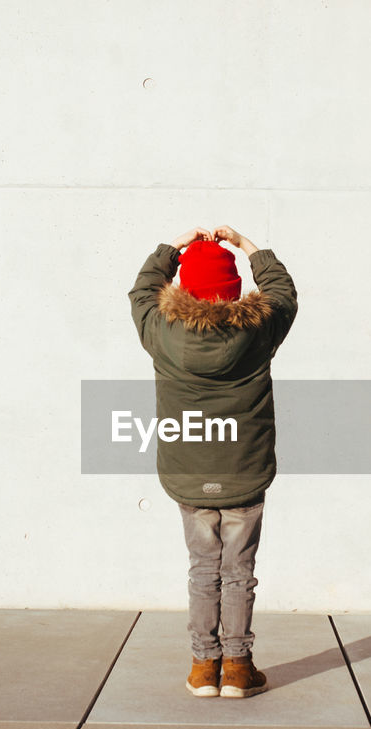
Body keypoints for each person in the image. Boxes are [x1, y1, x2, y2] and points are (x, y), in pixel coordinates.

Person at [129, 225, 298, 698]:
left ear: (183, 286)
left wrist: (173, 248)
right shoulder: (260, 328)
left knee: (203, 569)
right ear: (235, 289)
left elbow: (142, 291)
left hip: (189, 472)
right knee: (239, 571)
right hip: (244, 470)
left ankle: (205, 667)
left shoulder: (161, 331)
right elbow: (283, 291)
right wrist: (246, 246)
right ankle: (239, 668)